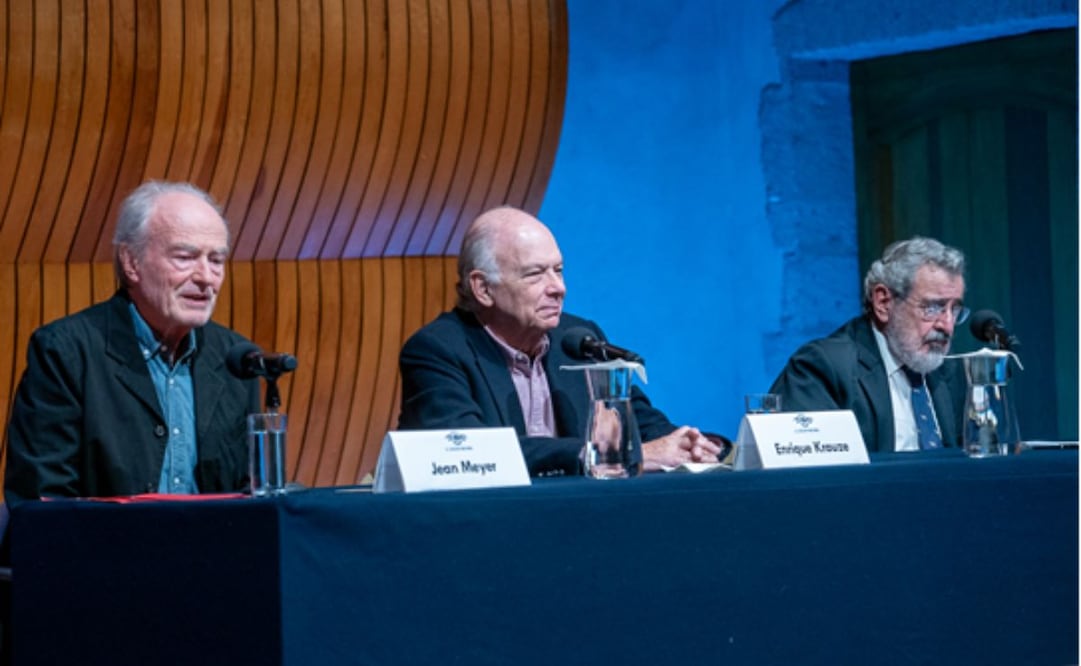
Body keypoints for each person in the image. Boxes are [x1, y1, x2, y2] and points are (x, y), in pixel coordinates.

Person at [397, 206, 721, 476]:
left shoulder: (578, 338)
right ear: (483, 288)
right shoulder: (437, 350)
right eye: (535, 274)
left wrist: (689, 445)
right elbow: (469, 451)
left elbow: (637, 418)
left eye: (559, 270)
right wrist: (602, 454)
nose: (558, 288)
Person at [3, 181, 261, 505]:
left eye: (217, 261)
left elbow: (253, 495)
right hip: (102, 539)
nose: (206, 277)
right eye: (185, 257)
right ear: (131, 262)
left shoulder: (236, 359)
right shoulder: (66, 352)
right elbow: (42, 499)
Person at [769, 236, 969, 452]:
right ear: (883, 303)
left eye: (954, 309)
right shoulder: (823, 368)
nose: (947, 325)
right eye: (933, 308)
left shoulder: (948, 368)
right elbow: (808, 465)